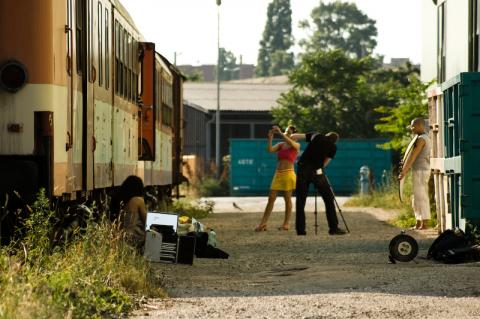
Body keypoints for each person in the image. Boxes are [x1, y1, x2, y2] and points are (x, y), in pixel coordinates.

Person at [291, 131, 346, 236]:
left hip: (303, 169)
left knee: (301, 200)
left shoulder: (317, 135)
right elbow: (324, 164)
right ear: (335, 141)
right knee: (329, 198)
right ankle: (333, 228)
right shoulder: (333, 147)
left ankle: (300, 230)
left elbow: (294, 136)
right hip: (317, 172)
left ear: (326, 135)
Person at [255, 125, 300, 232]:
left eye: (289, 132)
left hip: (288, 174)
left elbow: (290, 142)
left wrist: (280, 133)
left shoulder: (296, 145)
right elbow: (270, 150)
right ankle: (263, 224)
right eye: (286, 131)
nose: (287, 133)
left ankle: (286, 224)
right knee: (271, 198)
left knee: (287, 199)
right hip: (278, 174)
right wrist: (270, 137)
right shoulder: (281, 144)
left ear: (295, 135)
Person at [398, 118, 431, 230]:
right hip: (418, 170)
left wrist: (404, 171)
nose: (412, 128)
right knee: (416, 197)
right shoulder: (419, 138)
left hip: (422, 170)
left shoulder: (422, 139)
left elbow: (413, 156)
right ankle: (418, 221)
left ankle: (424, 223)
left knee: (421, 196)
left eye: (413, 126)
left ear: (420, 126)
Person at [111, 175, 148, 248]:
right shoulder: (138, 200)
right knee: (154, 235)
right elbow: (147, 223)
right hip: (133, 239)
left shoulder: (120, 200)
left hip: (120, 238)